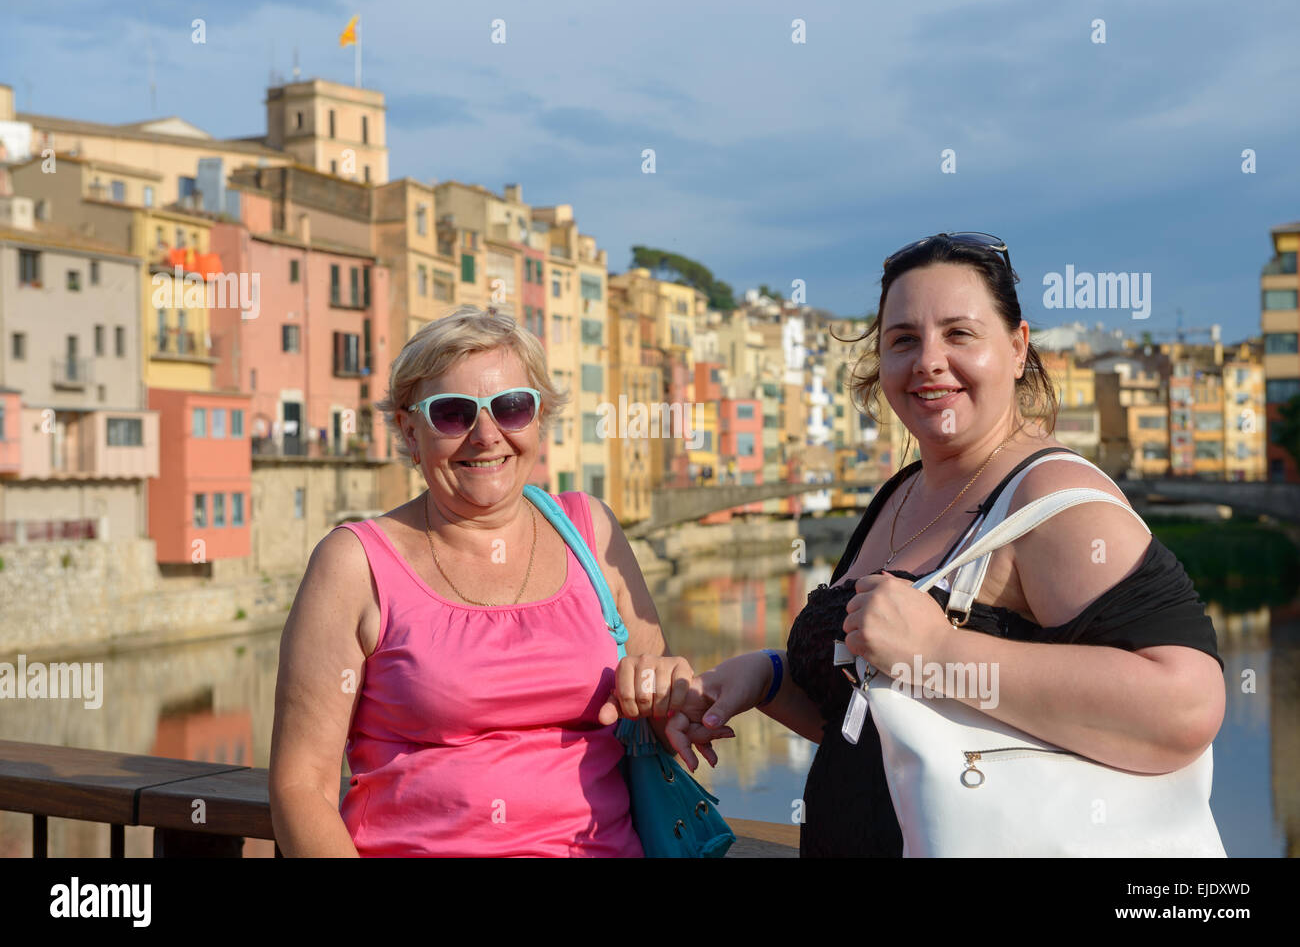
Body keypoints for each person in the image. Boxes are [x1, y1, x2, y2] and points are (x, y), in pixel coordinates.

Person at [688, 233, 1226, 856]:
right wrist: (766, 678)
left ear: (1018, 347)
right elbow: (880, 724)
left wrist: (938, 648)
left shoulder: (1051, 498)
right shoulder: (903, 493)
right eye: (904, 340)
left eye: (959, 334)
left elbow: (1184, 707)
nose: (929, 361)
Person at [268, 306, 725, 857]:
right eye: (454, 414)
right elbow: (302, 786)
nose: (487, 436)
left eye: (511, 407)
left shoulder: (592, 531)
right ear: (411, 433)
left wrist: (670, 697)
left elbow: (661, 711)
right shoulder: (353, 564)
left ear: (538, 420)